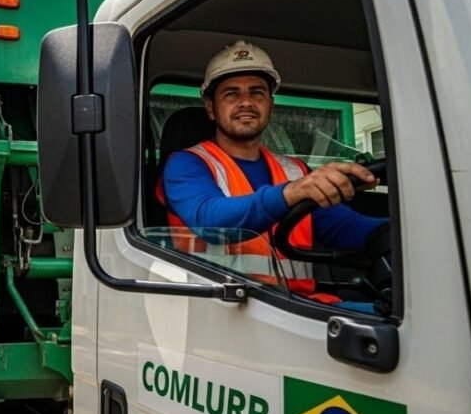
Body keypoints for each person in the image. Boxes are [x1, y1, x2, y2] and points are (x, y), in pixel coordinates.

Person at [161, 40, 386, 305]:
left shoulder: (295, 170)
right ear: (211, 108)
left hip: (300, 306)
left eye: (257, 93)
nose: (246, 102)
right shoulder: (186, 165)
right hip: (223, 309)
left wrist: (405, 233)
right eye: (231, 94)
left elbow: (342, 227)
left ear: (271, 104)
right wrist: (291, 193)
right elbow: (211, 220)